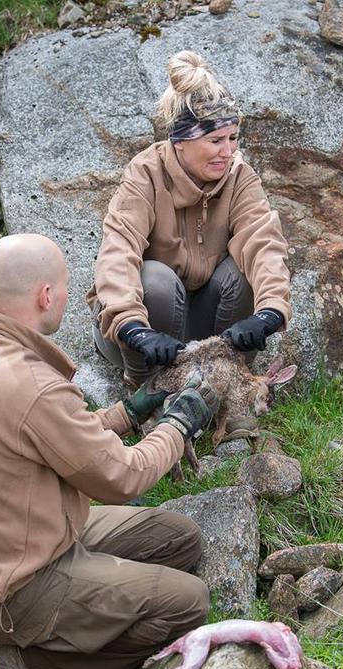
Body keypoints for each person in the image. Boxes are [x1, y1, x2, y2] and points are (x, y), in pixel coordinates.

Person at [0, 233, 219, 669]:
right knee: (188, 601)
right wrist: (180, 423)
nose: (68, 295)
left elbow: (57, 437)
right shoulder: (30, 383)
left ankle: (52, 629)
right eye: (65, 287)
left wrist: (129, 412)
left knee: (179, 538)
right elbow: (123, 478)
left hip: (8, 544)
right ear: (45, 295)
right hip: (13, 585)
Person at [87, 50, 292, 405]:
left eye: (233, 138)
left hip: (198, 330)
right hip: (140, 333)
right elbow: (118, 253)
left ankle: (223, 393)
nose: (227, 151)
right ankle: (144, 396)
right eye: (215, 140)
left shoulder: (240, 176)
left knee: (241, 273)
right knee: (156, 280)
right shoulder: (145, 175)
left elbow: (264, 242)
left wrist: (270, 312)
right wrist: (132, 327)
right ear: (180, 141)